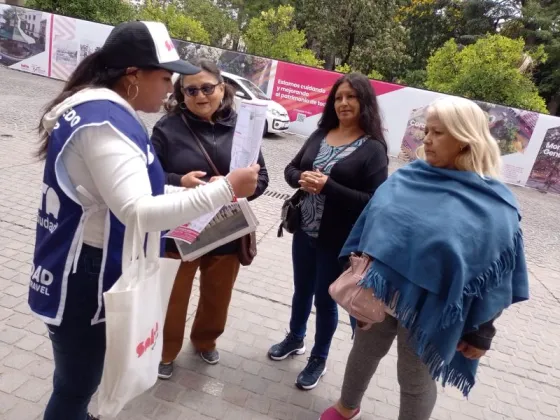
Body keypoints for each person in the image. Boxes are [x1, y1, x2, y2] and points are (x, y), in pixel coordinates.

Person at [28, 21, 260, 420]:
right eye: (167, 77)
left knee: (78, 383)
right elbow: (137, 211)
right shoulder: (104, 124)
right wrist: (225, 190)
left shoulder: (102, 111)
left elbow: (142, 196)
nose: (172, 89)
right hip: (83, 273)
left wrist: (188, 194)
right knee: (75, 387)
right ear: (133, 76)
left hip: (85, 262)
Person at [320, 97, 529, 420]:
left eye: (438, 133)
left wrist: (480, 331)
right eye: (426, 130)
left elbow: (495, 272)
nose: (427, 140)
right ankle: (346, 408)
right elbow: (371, 227)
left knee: (414, 377)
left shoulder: (494, 204)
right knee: (363, 352)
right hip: (378, 291)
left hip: (432, 308)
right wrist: (356, 280)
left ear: (465, 139)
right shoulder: (408, 177)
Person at [268, 73, 389, 390]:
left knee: (324, 300)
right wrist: (301, 179)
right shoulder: (321, 133)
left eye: (351, 97)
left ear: (364, 102)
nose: (344, 103)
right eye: (338, 97)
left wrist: (328, 186)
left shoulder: (373, 149)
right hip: (303, 231)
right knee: (301, 291)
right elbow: (290, 168)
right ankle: (295, 338)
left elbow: (375, 202)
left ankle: (318, 358)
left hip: (336, 242)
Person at [151, 59, 269, 379]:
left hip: (227, 229)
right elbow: (151, 175)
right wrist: (181, 181)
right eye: (191, 90)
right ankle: (164, 350)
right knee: (173, 297)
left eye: (207, 88)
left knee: (218, 296)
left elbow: (262, 178)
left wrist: (235, 190)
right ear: (181, 94)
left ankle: (205, 340)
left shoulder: (243, 127)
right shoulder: (167, 128)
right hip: (180, 228)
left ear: (222, 88)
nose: (200, 95)